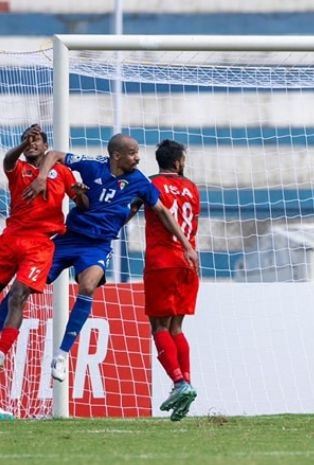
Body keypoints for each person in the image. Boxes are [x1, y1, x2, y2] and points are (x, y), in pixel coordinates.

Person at [21, 133, 199, 384]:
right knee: (23, 287)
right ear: (117, 155)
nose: (138, 158)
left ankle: (61, 355)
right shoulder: (92, 165)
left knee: (88, 286)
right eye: (133, 153)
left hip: (98, 246)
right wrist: (41, 177)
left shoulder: (141, 182)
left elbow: (163, 211)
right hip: (69, 238)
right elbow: (54, 155)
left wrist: (186, 245)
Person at [0, 125, 84, 419]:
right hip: (11, 238)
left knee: (18, 296)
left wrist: (83, 194)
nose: (32, 143)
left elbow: (81, 203)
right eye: (28, 139)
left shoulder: (60, 172)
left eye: (37, 139)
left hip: (40, 244)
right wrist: (22, 145)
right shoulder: (17, 166)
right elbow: (7, 161)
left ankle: (1, 354)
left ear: (47, 146)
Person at [130, 140, 201, 421]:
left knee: (159, 325)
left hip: (163, 262)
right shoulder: (192, 188)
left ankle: (179, 382)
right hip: (188, 262)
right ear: (179, 161)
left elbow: (132, 210)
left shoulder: (151, 184)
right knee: (177, 327)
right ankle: (185, 384)